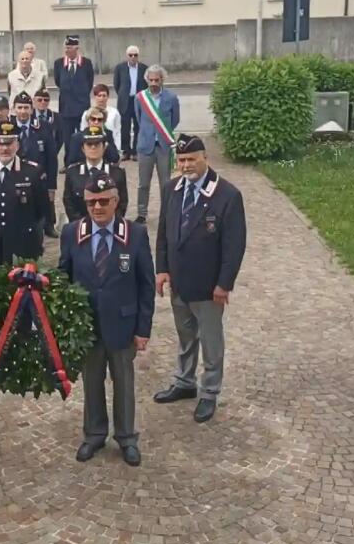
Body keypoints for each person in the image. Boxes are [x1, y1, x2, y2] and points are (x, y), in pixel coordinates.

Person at [58, 171, 153, 466]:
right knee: (92, 381)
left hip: (123, 325)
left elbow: (146, 284)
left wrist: (143, 328)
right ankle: (94, 434)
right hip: (87, 326)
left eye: (103, 201)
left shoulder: (134, 234)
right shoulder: (72, 233)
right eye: (91, 203)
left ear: (116, 201)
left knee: (124, 383)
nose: (97, 208)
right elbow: (64, 278)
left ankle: (126, 437)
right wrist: (66, 322)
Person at [154, 135, 247, 424]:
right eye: (181, 160)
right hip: (180, 282)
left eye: (191, 159)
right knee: (185, 336)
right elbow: (163, 233)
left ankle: (209, 392)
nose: (185, 165)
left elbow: (234, 246)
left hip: (208, 287)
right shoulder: (172, 189)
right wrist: (162, 268)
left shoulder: (227, 195)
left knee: (210, 340)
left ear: (204, 157)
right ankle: (184, 382)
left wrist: (224, 284)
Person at [0, 121, 50, 264]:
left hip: (22, 244)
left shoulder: (33, 172)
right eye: (0, 144)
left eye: (9, 143)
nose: (5, 148)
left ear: (17, 145)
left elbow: (41, 210)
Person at [133, 64, 181, 224]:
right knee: (143, 183)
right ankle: (141, 213)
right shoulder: (140, 98)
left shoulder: (172, 98)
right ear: (146, 80)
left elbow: (175, 120)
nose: (153, 83)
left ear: (162, 80)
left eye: (157, 80)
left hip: (163, 145)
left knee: (166, 183)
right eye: (151, 80)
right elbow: (139, 119)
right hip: (145, 145)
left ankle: (166, 213)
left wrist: (163, 134)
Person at [11, 91, 57, 237]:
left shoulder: (44, 127)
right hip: (16, 174)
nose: (23, 111)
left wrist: (52, 185)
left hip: (39, 175)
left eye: (26, 108)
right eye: (20, 107)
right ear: (14, 109)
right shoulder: (8, 127)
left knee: (44, 202)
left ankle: (48, 225)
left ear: (32, 109)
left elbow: (51, 157)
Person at [63, 126, 128, 222]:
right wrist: (83, 225)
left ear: (104, 147)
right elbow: (69, 203)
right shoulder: (73, 173)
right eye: (89, 144)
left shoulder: (117, 173)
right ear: (83, 148)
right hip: (80, 227)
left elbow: (122, 203)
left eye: (97, 144)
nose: (93, 147)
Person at [52, 35, 95, 138]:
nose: (67, 50)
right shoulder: (59, 63)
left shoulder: (86, 63)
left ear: (76, 48)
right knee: (67, 138)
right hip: (66, 108)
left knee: (84, 136)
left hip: (82, 106)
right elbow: (58, 82)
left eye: (69, 48)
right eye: (66, 48)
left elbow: (89, 82)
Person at [112, 46, 147, 161]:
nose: (133, 57)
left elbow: (146, 85)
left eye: (135, 55)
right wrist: (123, 95)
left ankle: (136, 151)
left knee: (138, 127)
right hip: (125, 101)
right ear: (127, 56)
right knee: (124, 127)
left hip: (139, 101)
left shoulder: (144, 68)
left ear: (138, 56)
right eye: (130, 55)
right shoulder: (120, 68)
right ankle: (126, 151)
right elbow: (117, 85)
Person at [90, 84, 122, 154]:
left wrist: (117, 149)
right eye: (99, 95)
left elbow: (117, 132)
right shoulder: (88, 113)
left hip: (110, 147)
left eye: (104, 96)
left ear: (107, 97)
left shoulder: (114, 112)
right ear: (95, 97)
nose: (101, 98)